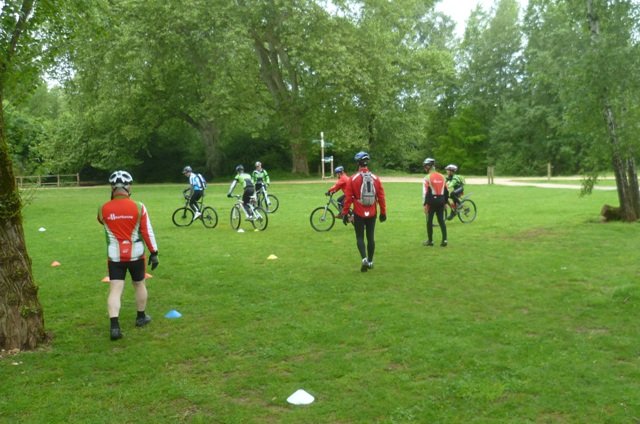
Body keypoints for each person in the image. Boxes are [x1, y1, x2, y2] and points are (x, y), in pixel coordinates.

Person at [98, 170, 159, 341]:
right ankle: (141, 317)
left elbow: (101, 220)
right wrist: (154, 252)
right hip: (136, 255)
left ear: (112, 187)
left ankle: (115, 326)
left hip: (115, 256)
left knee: (115, 289)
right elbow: (147, 232)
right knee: (139, 284)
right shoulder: (139, 206)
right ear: (128, 186)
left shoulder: (103, 208)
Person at [342, 152, 387, 272]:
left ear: (358, 163)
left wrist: (345, 213)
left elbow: (348, 198)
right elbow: (381, 197)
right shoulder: (376, 178)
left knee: (360, 237)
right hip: (372, 212)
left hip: (359, 212)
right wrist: (383, 212)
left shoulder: (352, 179)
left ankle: (364, 259)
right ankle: (371, 261)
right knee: (370, 237)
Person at [422, 158, 448, 247]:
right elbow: (446, 191)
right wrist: (445, 202)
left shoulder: (427, 178)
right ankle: (444, 240)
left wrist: (424, 204)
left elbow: (425, 192)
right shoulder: (442, 177)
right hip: (441, 200)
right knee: (441, 221)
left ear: (428, 167)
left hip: (431, 201)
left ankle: (430, 241)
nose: (425, 168)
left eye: (425, 166)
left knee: (429, 221)